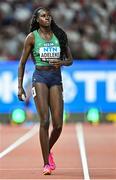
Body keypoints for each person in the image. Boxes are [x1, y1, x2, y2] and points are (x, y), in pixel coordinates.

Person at [18, 7, 73, 175]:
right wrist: (20, 86)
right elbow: (22, 63)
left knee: (58, 125)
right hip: (40, 78)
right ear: (37, 20)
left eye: (49, 15)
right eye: (43, 16)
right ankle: (46, 164)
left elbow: (70, 60)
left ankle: (47, 149)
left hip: (56, 78)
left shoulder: (60, 36)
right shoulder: (32, 37)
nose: (47, 18)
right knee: (44, 121)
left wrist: (61, 63)